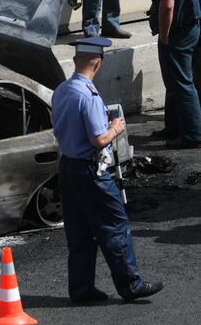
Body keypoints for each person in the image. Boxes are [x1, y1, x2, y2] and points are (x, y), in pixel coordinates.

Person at [52, 37, 163, 302]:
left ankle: (81, 290)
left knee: (79, 232)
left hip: (67, 166)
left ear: (77, 60)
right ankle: (131, 285)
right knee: (114, 226)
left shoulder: (61, 90)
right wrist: (116, 128)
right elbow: (98, 139)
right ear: (98, 64)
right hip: (91, 171)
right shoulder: (88, 96)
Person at [139, 0, 201, 148]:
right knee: (174, 80)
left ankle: (193, 136)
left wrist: (164, 36)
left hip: (178, 33)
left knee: (182, 83)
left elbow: (167, 6)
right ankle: (173, 127)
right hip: (193, 25)